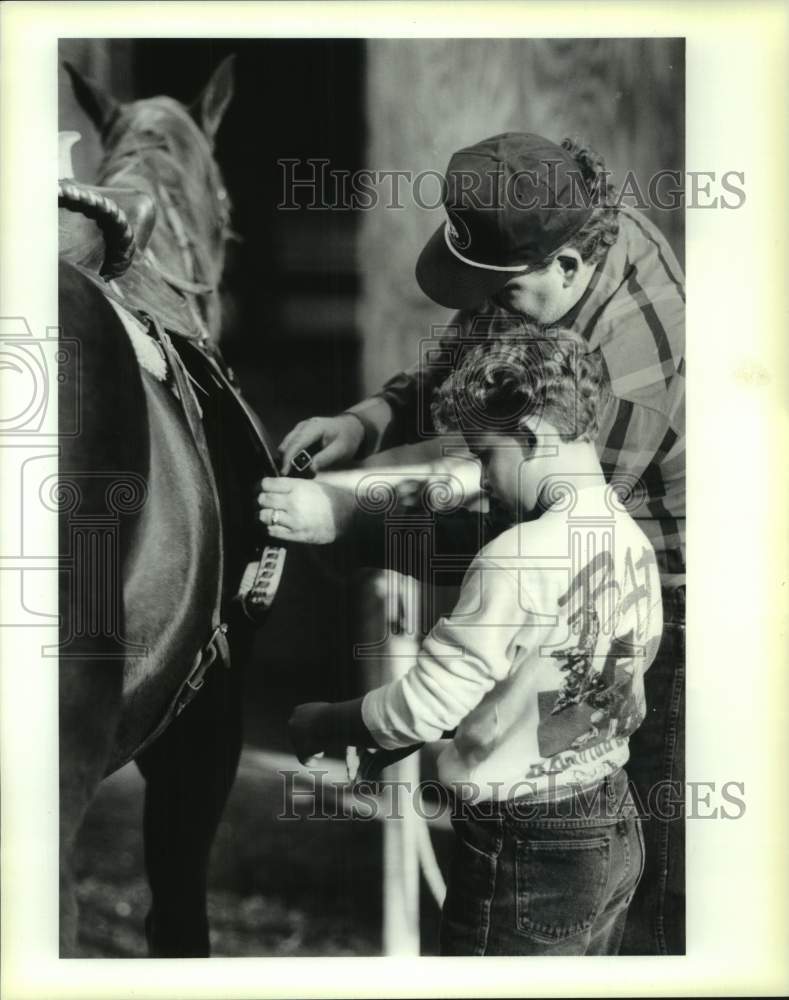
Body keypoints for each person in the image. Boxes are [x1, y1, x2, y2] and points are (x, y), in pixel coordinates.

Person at [260, 131, 685, 954]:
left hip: (655, 599)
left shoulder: (632, 366)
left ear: (564, 269)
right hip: (586, 783)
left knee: (650, 922)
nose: (476, 469)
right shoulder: (560, 235)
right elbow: (486, 354)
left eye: (484, 456)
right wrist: (369, 422)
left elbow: (515, 546)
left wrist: (351, 523)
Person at [289, 333, 663, 956]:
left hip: (526, 844)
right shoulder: (629, 539)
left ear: (537, 435)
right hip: (612, 818)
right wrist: (403, 733)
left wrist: (332, 722)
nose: (485, 478)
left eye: (487, 456)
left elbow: (430, 701)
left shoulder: (515, 557)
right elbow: (553, 684)